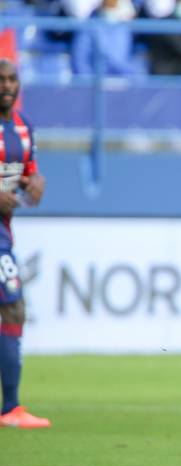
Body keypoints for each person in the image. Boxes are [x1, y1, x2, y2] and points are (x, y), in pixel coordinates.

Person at [0, 60, 49, 429]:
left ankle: (12, 408)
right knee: (14, 309)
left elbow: (26, 173)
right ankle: (11, 408)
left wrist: (35, 183)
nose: (6, 85)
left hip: (3, 234)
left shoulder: (22, 127)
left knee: (13, 309)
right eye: (0, 79)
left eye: (12, 78)